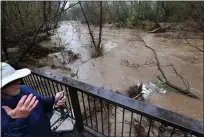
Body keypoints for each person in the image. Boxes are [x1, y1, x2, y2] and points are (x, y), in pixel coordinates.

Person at [1, 62, 66, 137]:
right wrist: (17, 122)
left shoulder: (24, 88)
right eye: (11, 82)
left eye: (17, 78)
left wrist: (53, 100)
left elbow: (42, 103)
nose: (18, 82)